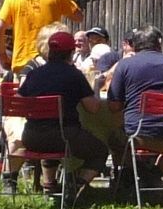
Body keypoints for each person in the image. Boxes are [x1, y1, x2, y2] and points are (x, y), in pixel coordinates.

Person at [13, 30, 114, 198]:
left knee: (51, 142)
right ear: (71, 53)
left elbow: (18, 102)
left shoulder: (34, 74)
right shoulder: (74, 75)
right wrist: (96, 87)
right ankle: (75, 186)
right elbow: (93, 108)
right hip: (64, 137)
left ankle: (50, 186)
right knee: (100, 151)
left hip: (32, 137)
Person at [107, 25, 163, 179]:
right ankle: (155, 174)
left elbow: (114, 106)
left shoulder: (125, 65)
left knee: (112, 138)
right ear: (159, 43)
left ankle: (134, 173)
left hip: (137, 137)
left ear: (134, 45)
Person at [0, 0, 82, 75]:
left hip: (22, 64)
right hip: (49, 62)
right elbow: (79, 17)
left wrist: (3, 57)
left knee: (24, 92)